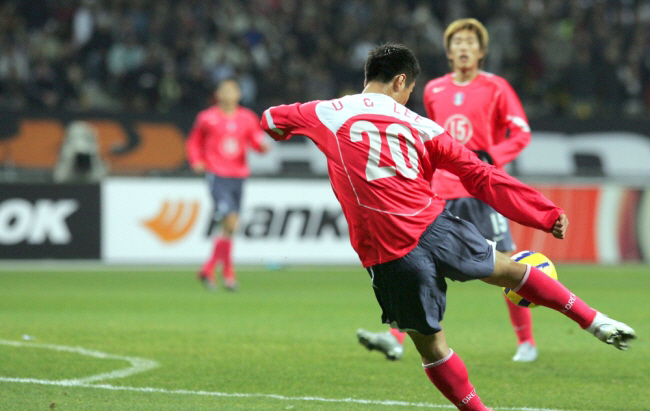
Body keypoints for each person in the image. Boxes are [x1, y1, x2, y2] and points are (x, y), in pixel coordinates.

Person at [260, 43, 635, 411]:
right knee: (510, 269)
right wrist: (545, 213)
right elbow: (481, 175)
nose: (408, 97)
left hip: (390, 254)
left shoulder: (326, 112)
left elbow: (271, 119)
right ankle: (595, 321)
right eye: (409, 91)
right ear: (401, 82)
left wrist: (284, 130)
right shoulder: (422, 125)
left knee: (433, 347)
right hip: (436, 226)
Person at [357, 18, 537, 363]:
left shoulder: (496, 87)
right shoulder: (434, 89)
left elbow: (521, 132)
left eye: (470, 42)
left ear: (481, 51)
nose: (464, 47)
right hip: (440, 189)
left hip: (482, 189)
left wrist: (493, 156)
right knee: (417, 262)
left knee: (509, 265)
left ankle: (526, 342)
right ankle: (397, 338)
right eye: (457, 43)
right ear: (448, 51)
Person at [186, 78, 269, 291]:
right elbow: (194, 141)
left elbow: (256, 141)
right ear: (218, 94)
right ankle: (222, 270)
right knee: (231, 221)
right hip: (217, 173)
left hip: (239, 175)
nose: (228, 93)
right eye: (224, 90)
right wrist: (196, 160)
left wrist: (262, 147)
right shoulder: (207, 117)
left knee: (228, 228)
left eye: (232, 90)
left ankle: (215, 270)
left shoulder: (247, 118)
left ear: (238, 94)